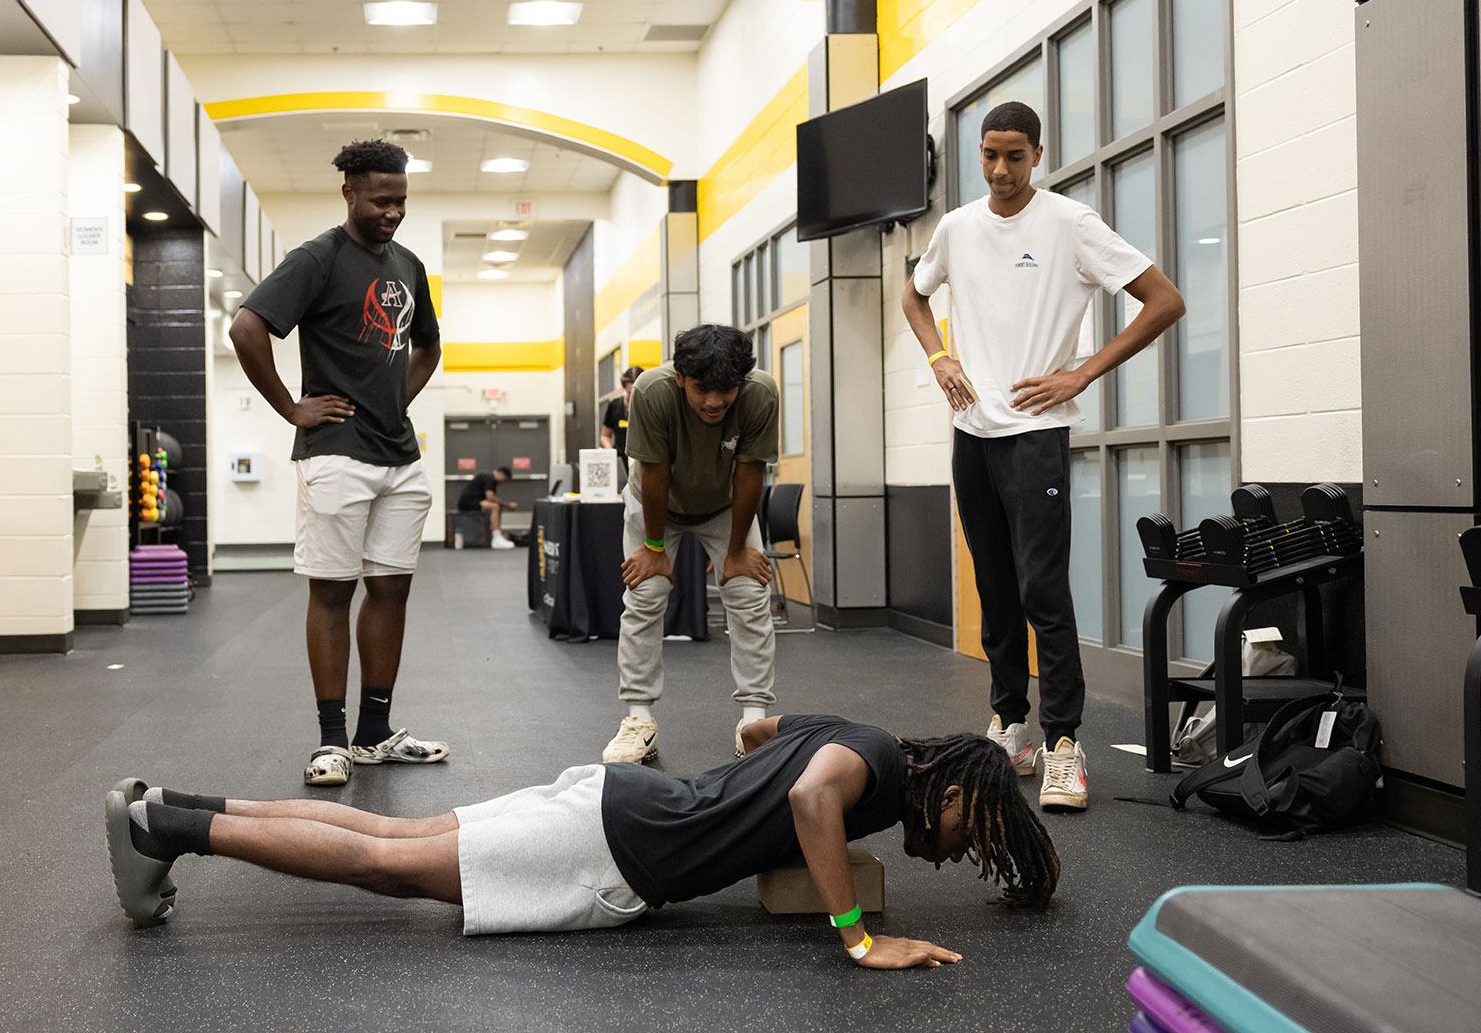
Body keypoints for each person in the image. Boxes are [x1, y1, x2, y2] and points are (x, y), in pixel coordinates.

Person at [103, 714, 1059, 967]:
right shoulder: (876, 767)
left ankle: (174, 806)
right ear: (951, 792)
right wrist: (857, 937)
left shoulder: (864, 739)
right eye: (970, 833)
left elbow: (760, 735)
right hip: (616, 848)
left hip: (623, 798)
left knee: (392, 832)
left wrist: (745, 806)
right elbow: (811, 801)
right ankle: (163, 833)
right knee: (390, 867)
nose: (956, 851)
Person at [901, 101, 1185, 812]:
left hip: (1036, 435)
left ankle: (1064, 744)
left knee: (1043, 593)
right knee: (995, 591)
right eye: (990, 155)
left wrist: (1081, 374)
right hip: (972, 435)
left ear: (1037, 154)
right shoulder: (956, 227)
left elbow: (1163, 301)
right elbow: (914, 297)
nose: (1001, 170)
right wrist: (939, 357)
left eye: (1015, 156)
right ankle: (1011, 727)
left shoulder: (1070, 223)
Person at [228, 139, 449, 789]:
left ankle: (374, 734)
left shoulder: (408, 265)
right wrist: (291, 408)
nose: (392, 212)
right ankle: (332, 741)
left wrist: (394, 401)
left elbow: (429, 347)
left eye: (401, 201)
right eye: (380, 201)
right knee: (332, 590)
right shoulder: (318, 258)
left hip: (399, 455)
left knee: (391, 587)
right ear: (349, 192)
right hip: (335, 454)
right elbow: (246, 328)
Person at [604, 325, 778, 764]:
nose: (715, 402)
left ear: (741, 380)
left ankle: (754, 723)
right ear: (681, 378)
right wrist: (654, 548)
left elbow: (750, 472)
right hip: (656, 501)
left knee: (748, 592)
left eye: (726, 390)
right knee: (645, 593)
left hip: (725, 503)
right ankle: (639, 719)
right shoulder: (653, 391)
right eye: (702, 389)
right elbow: (654, 472)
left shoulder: (760, 393)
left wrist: (736, 552)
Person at [599, 365, 644, 485]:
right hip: (620, 464)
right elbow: (605, 436)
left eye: (636, 393)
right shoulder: (615, 405)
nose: (632, 397)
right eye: (629, 393)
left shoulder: (647, 407)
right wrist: (610, 452)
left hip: (641, 463)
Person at [455, 466, 517, 549]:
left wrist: (503, 505)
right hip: (466, 503)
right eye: (504, 479)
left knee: (497, 506)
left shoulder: (490, 478)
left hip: (474, 501)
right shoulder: (490, 477)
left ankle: (497, 534)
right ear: (501, 474)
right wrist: (507, 505)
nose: (502, 482)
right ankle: (497, 537)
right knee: (494, 507)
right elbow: (490, 497)